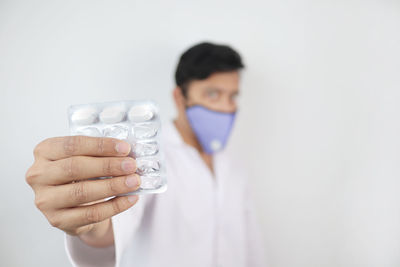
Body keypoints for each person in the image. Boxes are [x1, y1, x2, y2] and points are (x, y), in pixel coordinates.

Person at [26, 42, 266, 267]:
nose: (226, 107)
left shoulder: (232, 163)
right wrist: (90, 223)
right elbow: (113, 226)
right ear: (180, 98)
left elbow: (250, 243)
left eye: (232, 96)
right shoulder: (144, 156)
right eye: (213, 94)